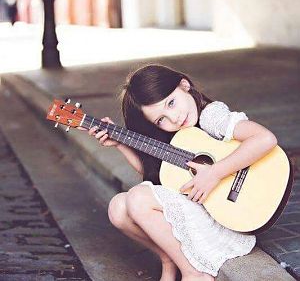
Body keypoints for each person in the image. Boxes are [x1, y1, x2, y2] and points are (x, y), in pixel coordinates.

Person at [82, 64, 278, 280]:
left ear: (184, 85)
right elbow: (155, 175)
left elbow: (265, 138)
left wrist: (214, 173)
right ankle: (169, 258)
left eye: (171, 103)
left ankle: (195, 273)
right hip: (208, 210)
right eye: (160, 119)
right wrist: (119, 144)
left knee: (138, 198)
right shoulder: (180, 134)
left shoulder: (211, 116)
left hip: (230, 216)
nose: (173, 118)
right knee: (118, 207)